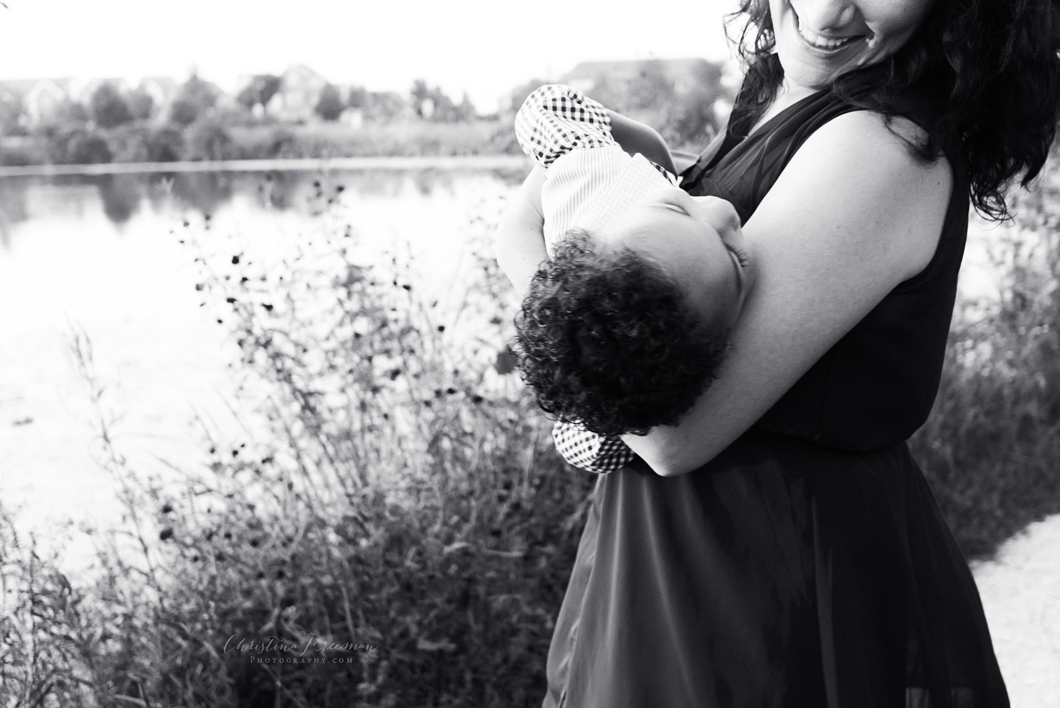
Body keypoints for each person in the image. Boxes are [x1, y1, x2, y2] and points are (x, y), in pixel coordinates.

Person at [493, 0, 1060, 705]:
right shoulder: (784, 92)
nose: (826, 10)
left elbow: (672, 434)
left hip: (764, 583)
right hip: (673, 553)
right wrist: (585, 224)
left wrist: (550, 274)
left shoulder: (880, 146)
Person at [511, 83, 753, 446]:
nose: (723, 210)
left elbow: (545, 105)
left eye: (677, 206)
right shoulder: (650, 380)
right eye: (736, 260)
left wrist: (654, 155)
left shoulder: (589, 172)